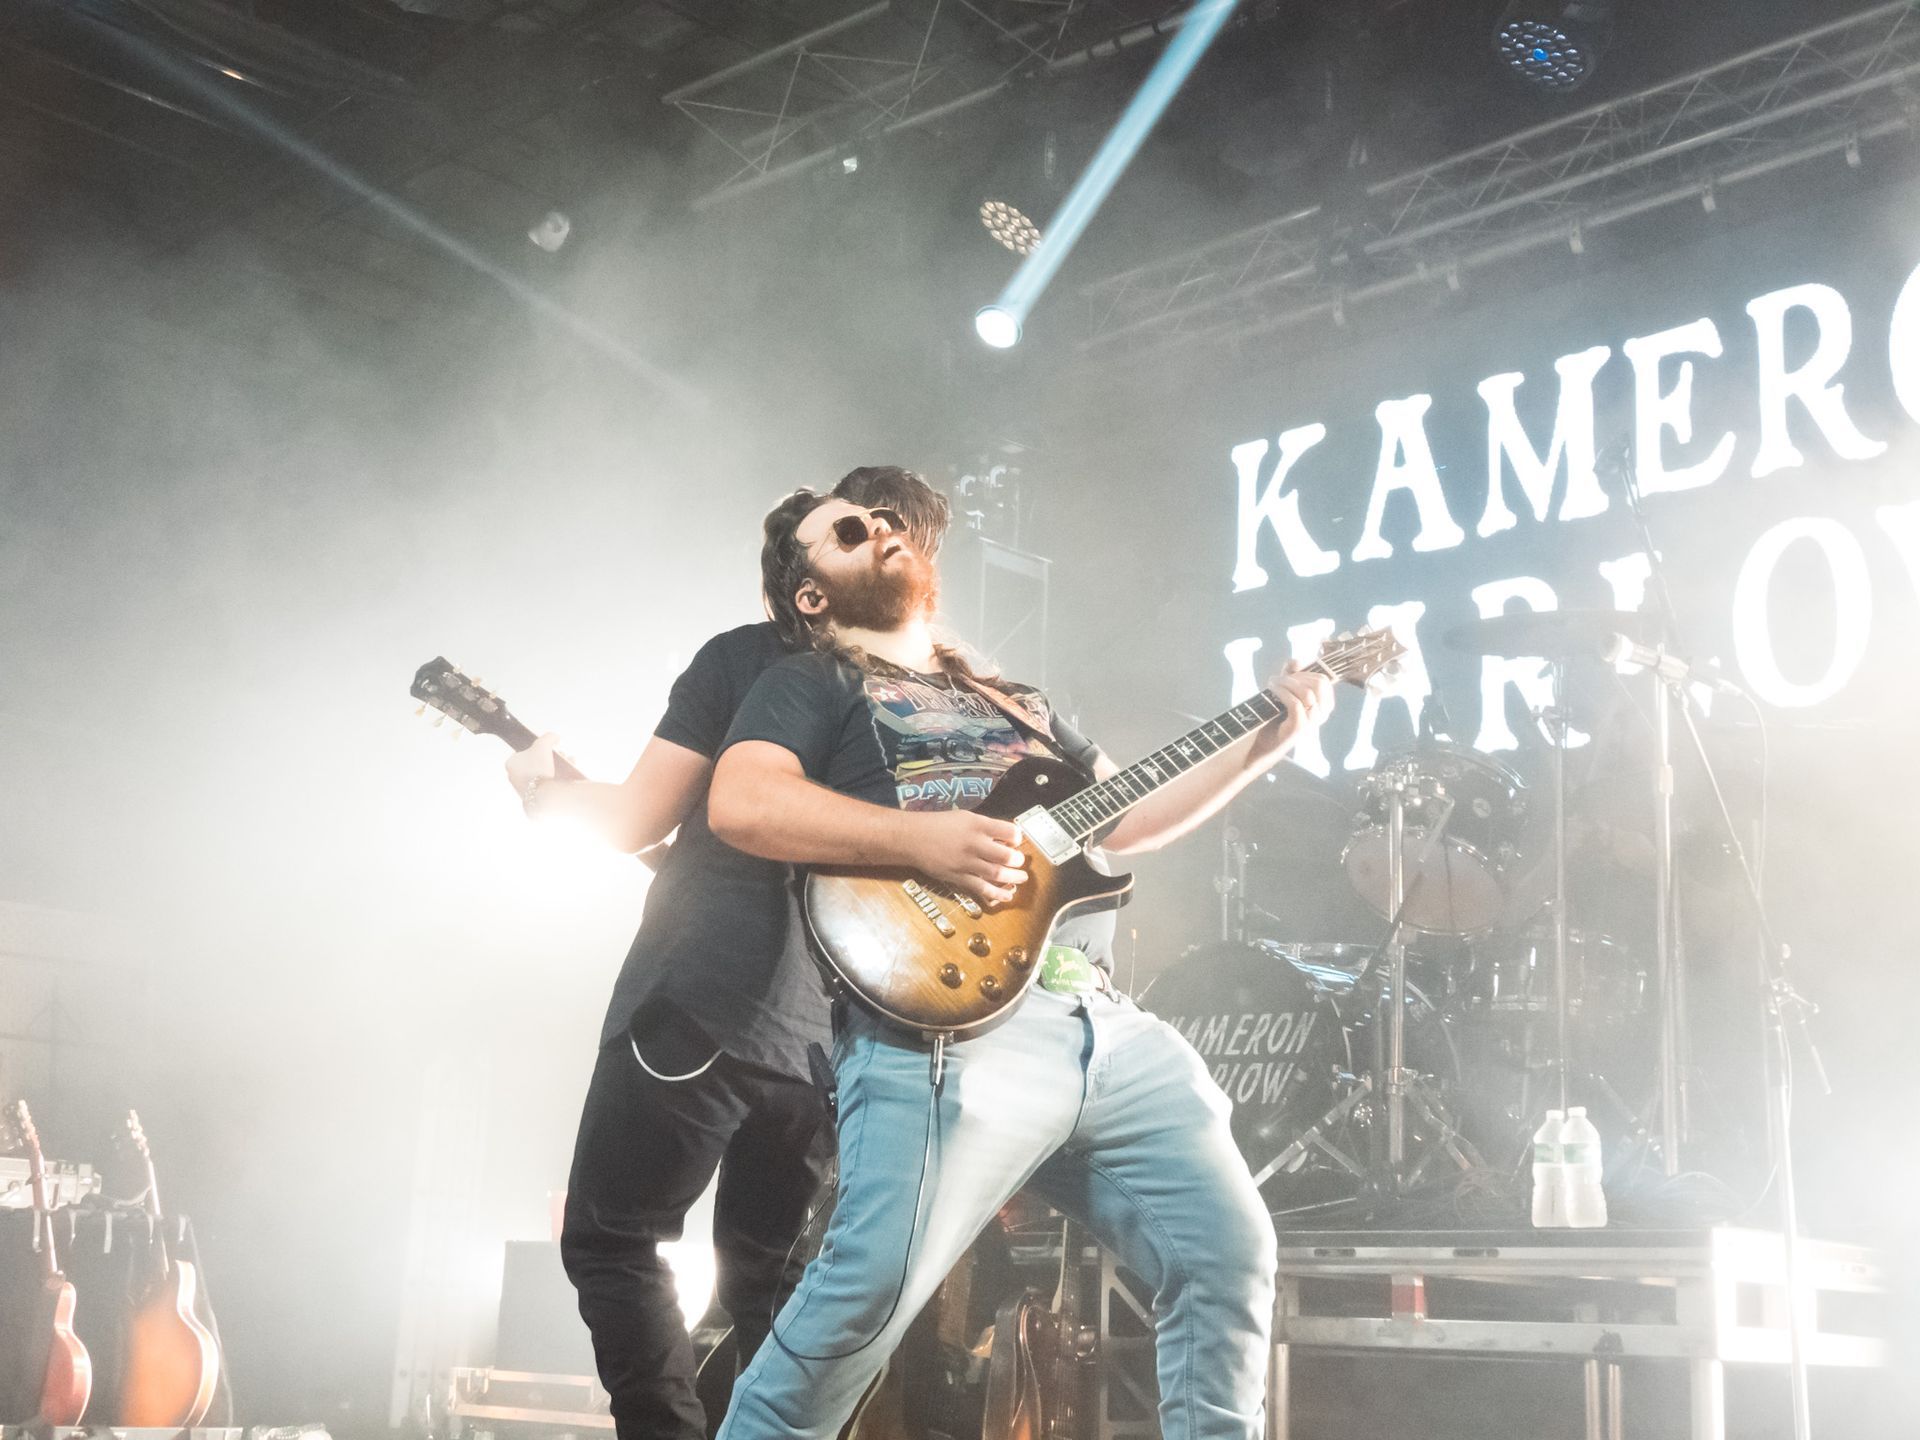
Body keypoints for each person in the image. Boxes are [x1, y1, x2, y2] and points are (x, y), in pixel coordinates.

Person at [704, 487, 1337, 1440]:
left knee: (1229, 1251)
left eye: (879, 520)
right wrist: (920, 844)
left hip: (1099, 1021)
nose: (876, 527)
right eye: (843, 531)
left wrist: (1271, 737)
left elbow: (1127, 818)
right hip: (941, 1028)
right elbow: (742, 804)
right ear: (810, 598)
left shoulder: (1021, 704)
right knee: (864, 1300)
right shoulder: (811, 684)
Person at [504, 469, 952, 1440]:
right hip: (822, 1042)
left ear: (795, 593)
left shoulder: (747, 660)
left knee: (613, 1237)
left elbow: (633, 819)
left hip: (702, 999)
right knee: (769, 1280)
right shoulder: (908, 697)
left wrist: (545, 791)